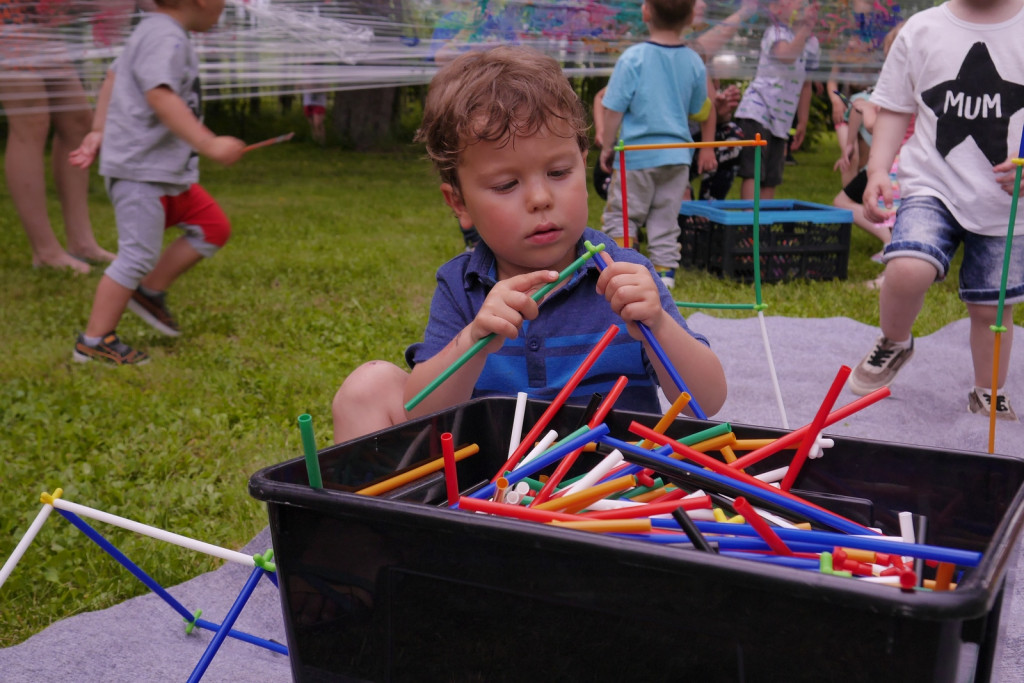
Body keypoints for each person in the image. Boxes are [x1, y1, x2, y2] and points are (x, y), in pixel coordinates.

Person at [331, 45, 726, 443]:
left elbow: (706, 402)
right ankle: (372, 508)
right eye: (506, 185)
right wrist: (472, 342)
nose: (540, 198)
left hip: (612, 488)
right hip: (494, 491)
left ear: (582, 161)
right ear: (459, 203)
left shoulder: (624, 271)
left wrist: (657, 326)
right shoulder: (462, 286)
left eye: (558, 172)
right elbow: (420, 410)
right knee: (367, 387)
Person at [847, 0, 1024, 422]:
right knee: (908, 266)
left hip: (1006, 199)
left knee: (991, 310)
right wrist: (876, 170)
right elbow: (893, 107)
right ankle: (894, 339)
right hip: (931, 182)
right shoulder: (921, 29)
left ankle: (988, 391)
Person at [68, 0, 246, 365]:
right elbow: (159, 96)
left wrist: (99, 129)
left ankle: (148, 292)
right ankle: (94, 339)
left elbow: (114, 76)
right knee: (134, 257)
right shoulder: (166, 36)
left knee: (212, 228)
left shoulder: (156, 29)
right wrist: (209, 143)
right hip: (141, 173)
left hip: (165, 172)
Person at [597, 0, 708, 290]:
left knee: (623, 216)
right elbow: (699, 109)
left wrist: (607, 146)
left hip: (636, 155)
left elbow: (613, 108)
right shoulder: (695, 61)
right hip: (678, 156)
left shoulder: (633, 58)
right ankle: (664, 278)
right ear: (691, 16)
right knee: (665, 219)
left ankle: (623, 270)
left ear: (646, 11)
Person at [0, 1, 117, 274]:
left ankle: (81, 242)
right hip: (7, 16)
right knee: (30, 119)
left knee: (77, 120)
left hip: (38, 22)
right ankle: (45, 251)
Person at [733, 0, 820, 200]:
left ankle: (762, 227)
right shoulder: (776, 32)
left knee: (772, 176)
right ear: (775, 9)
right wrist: (805, 30)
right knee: (754, 171)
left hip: (781, 120)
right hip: (757, 111)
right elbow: (786, 55)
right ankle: (749, 224)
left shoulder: (811, 43)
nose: (799, 4)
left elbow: (806, 84)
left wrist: (803, 121)